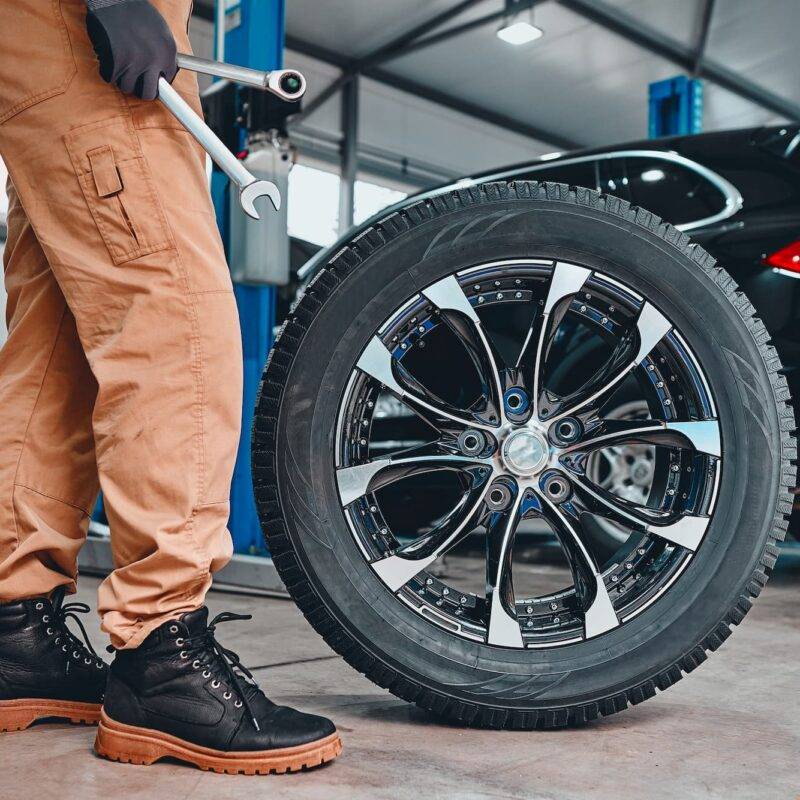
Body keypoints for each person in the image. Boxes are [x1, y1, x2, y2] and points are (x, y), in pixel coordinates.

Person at [0, 0, 341, 774]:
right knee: (175, 324)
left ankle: (14, 632)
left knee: (57, 350)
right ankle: (162, 655)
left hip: (35, 47)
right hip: (77, 38)